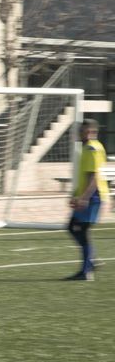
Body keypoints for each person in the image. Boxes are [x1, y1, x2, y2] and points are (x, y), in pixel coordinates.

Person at [65, 118, 108, 281]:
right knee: (72, 227)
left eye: (81, 131)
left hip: (93, 196)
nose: (79, 134)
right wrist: (75, 195)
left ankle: (86, 271)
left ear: (90, 132)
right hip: (87, 195)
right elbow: (85, 176)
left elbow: (94, 176)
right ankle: (91, 261)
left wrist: (84, 198)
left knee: (81, 230)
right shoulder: (87, 148)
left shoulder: (92, 148)